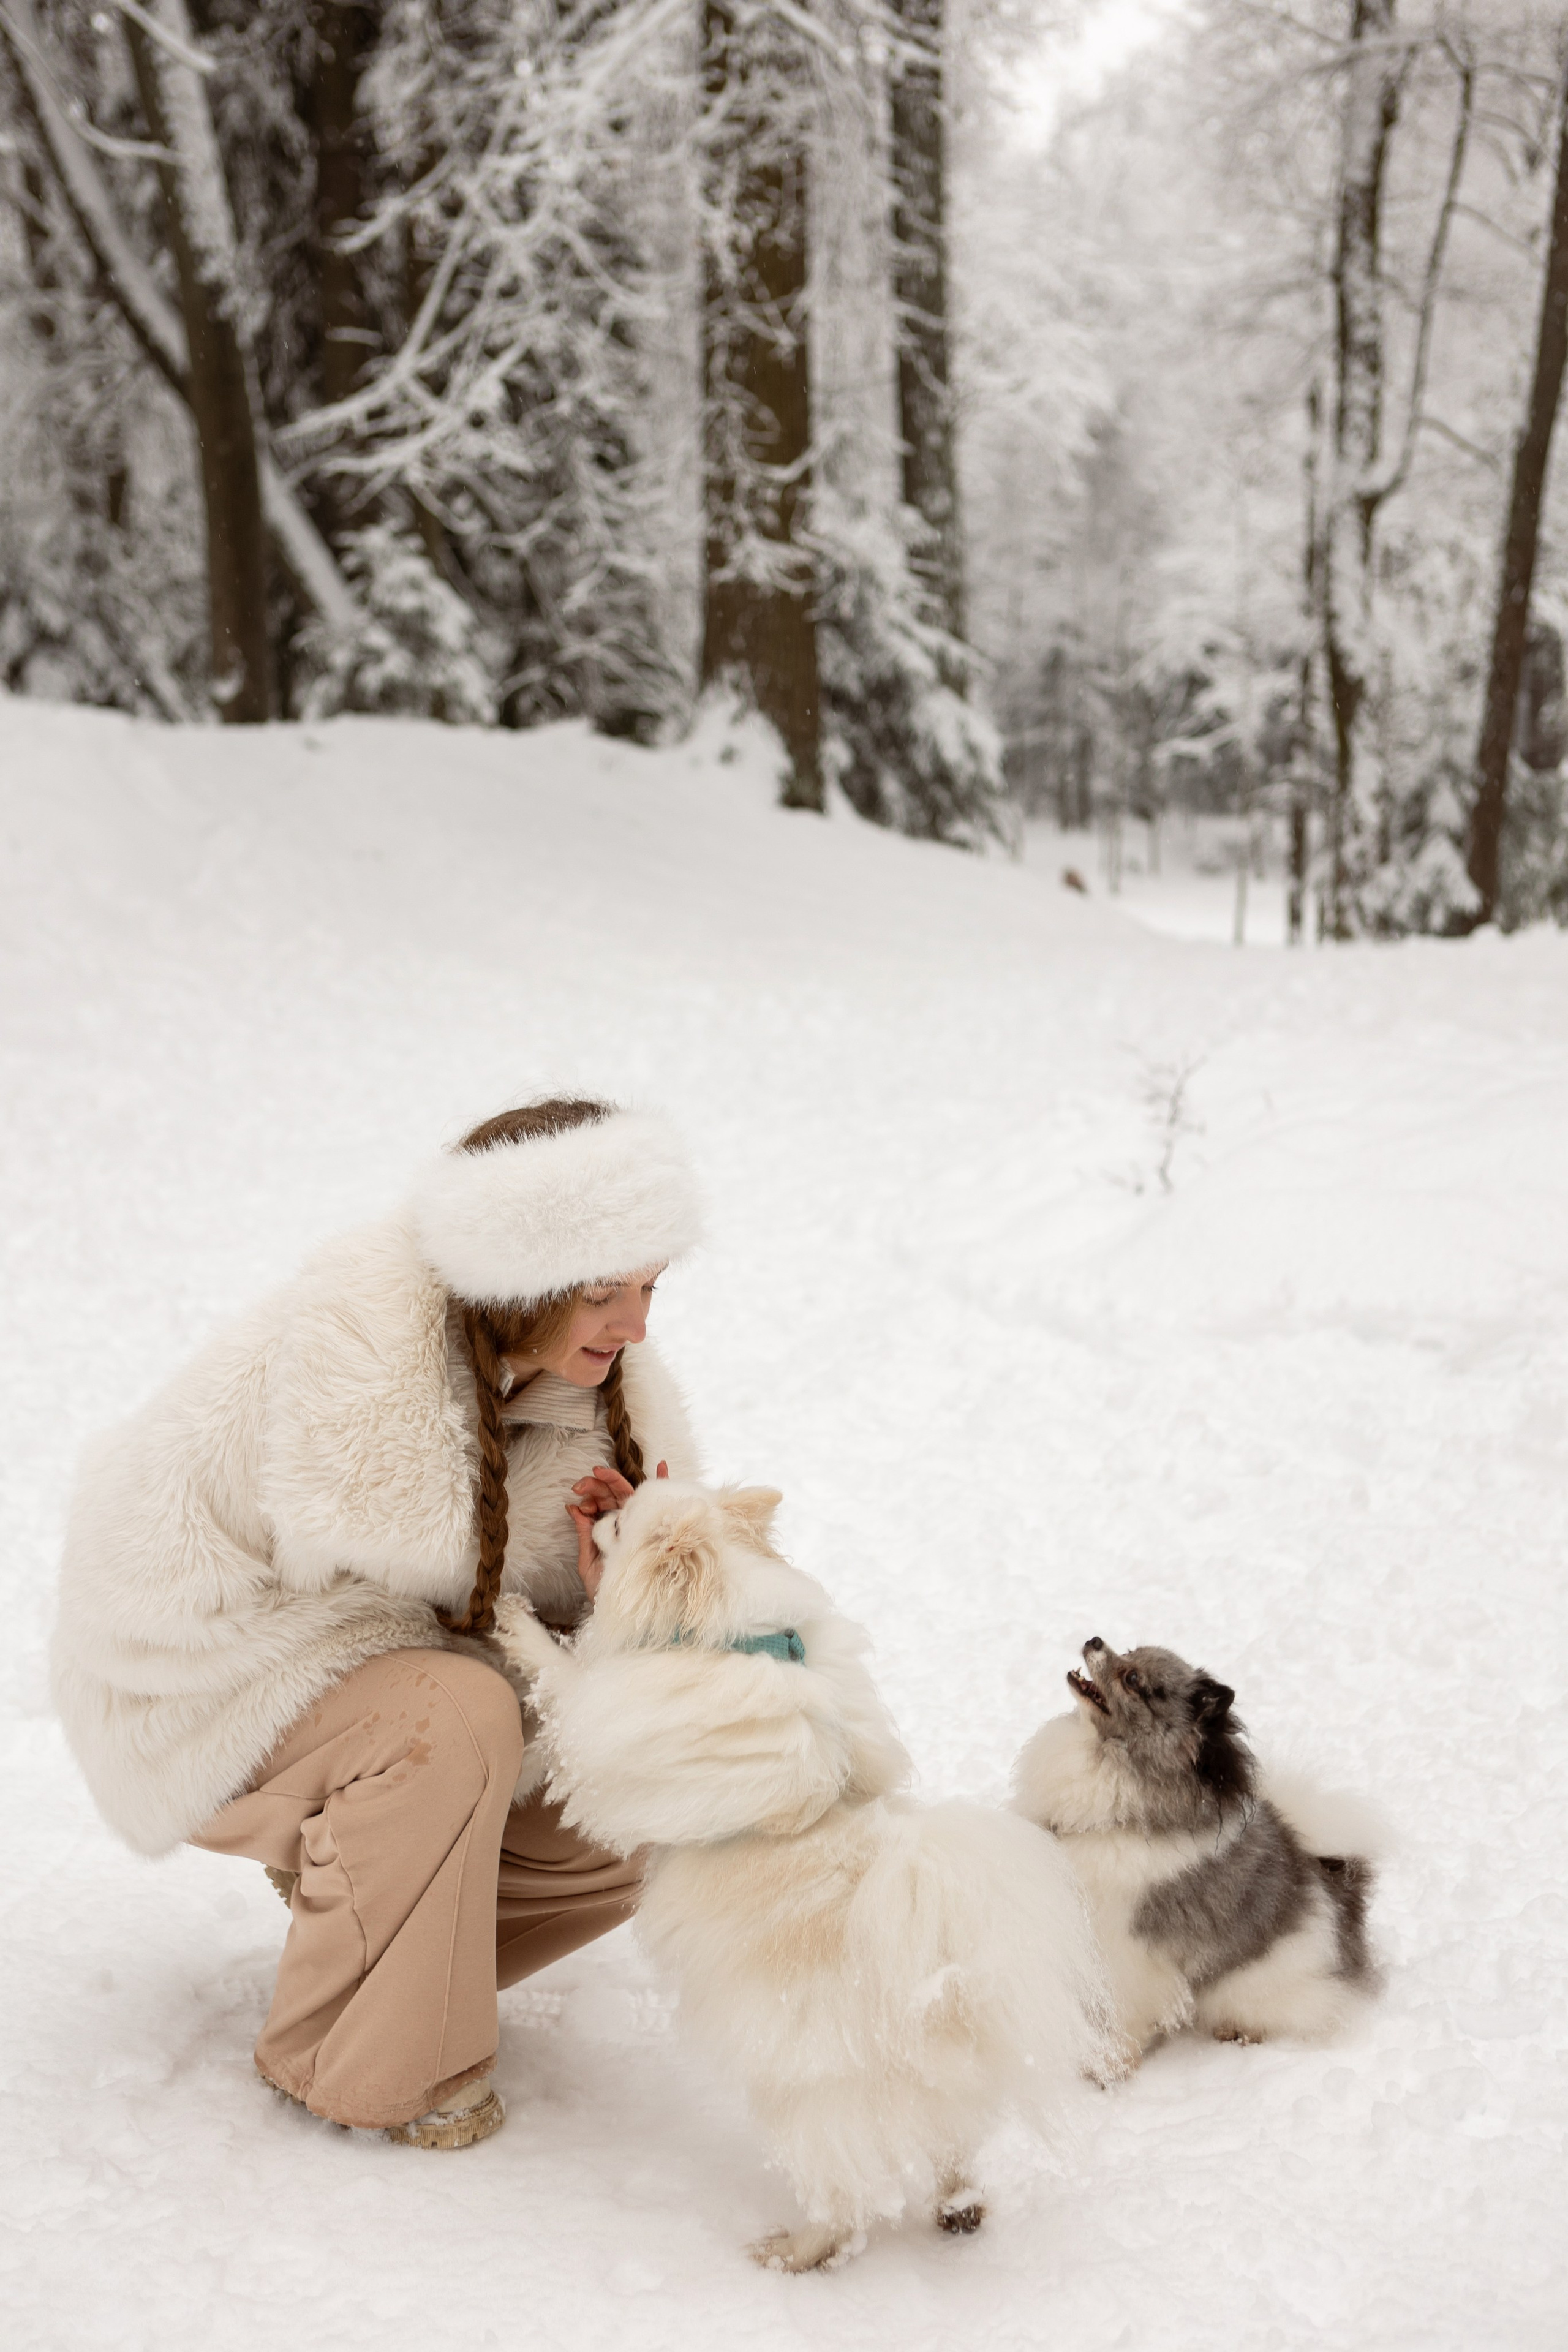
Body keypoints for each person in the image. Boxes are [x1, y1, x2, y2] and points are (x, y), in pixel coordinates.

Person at [52, 1098, 702, 2148]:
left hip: (385, 1677)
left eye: (649, 1287)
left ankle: (383, 1941)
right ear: (519, 1281)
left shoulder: (604, 1391)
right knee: (452, 1714)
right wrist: (394, 1726)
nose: (636, 1326)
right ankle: (349, 2057)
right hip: (192, 1676)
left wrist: (610, 1592)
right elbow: (147, 1576)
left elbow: (548, 1636)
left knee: (646, 1781)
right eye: (601, 1294)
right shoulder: (356, 1349)